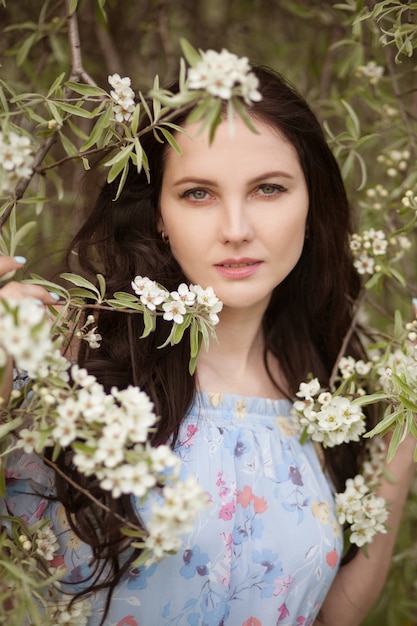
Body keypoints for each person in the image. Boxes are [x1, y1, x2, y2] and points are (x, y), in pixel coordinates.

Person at [1, 64, 416, 626]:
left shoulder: (327, 390)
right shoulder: (59, 351)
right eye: (198, 193)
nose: (237, 227)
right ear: (159, 216)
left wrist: (406, 427)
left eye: (269, 189)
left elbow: (326, 616)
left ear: (312, 206)